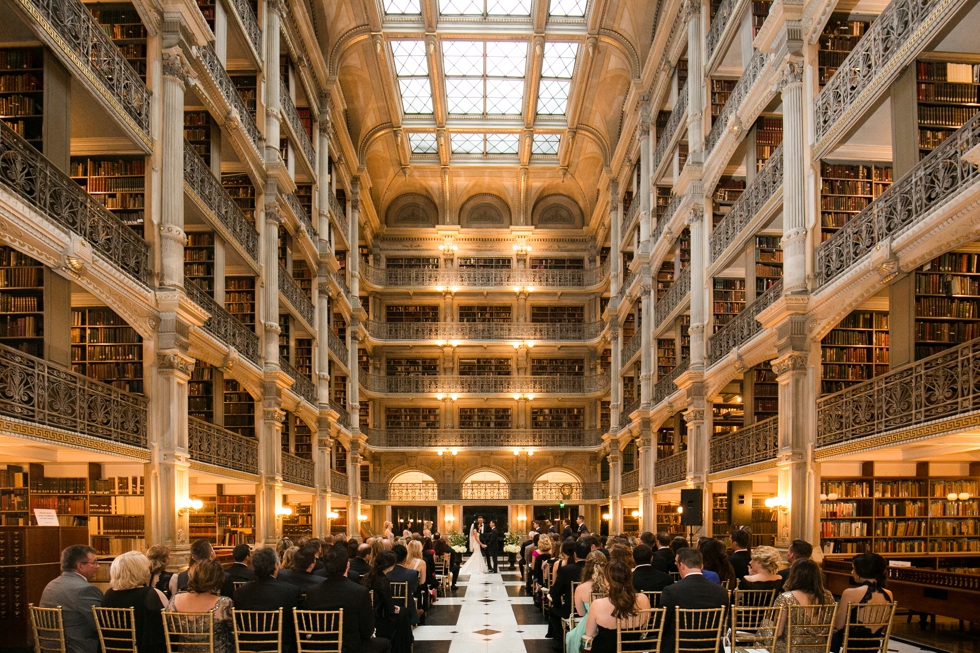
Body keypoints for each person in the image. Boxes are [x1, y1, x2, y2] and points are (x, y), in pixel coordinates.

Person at [306, 544, 391, 653]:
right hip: (350, 647)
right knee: (386, 644)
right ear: (347, 565)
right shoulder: (359, 592)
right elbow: (367, 631)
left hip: (320, 646)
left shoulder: (312, 591)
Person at [660, 548, 731, 653]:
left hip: (678, 648)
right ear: (701, 566)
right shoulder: (722, 592)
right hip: (711, 648)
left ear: (682, 565)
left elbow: (662, 623)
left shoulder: (671, 591)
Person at [233, 548, 300, 653]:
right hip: (281, 647)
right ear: (275, 566)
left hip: (247, 647)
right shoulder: (290, 591)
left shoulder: (239, 592)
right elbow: (295, 623)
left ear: (253, 568)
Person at [760, 559, 835, 653]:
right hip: (820, 648)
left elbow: (777, 632)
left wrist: (766, 626)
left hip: (791, 649)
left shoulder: (786, 597)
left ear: (794, 576)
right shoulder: (828, 596)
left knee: (764, 624)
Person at [39, 544, 103, 653]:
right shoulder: (85, 590)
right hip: (77, 648)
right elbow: (102, 624)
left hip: (49, 647)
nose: (98, 566)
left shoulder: (51, 584)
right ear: (80, 566)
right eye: (94, 563)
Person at [101, 551, 167, 653]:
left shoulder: (108, 594)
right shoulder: (151, 594)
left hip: (113, 649)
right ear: (141, 571)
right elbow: (168, 623)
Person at [582, 561, 652, 653]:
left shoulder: (597, 604)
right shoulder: (644, 599)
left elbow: (590, 633)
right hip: (635, 649)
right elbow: (645, 626)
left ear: (607, 580)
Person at [166, 560, 234, 653]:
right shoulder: (224, 603)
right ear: (217, 580)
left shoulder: (175, 599)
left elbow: (171, 628)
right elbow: (232, 629)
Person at [830, 553, 893, 653]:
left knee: (830, 633)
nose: (852, 572)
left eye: (853, 569)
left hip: (852, 645)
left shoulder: (850, 593)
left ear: (861, 571)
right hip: (874, 646)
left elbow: (838, 625)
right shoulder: (889, 594)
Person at [360, 550, 413, 653]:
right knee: (405, 614)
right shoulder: (383, 581)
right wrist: (395, 609)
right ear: (390, 565)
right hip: (380, 618)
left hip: (371, 614)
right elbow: (389, 608)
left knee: (403, 612)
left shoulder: (369, 575)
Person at [547, 538, 589, 649]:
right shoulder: (595, 569)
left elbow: (555, 592)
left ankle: (561, 640)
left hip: (571, 609)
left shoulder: (566, 570)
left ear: (575, 554)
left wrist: (557, 603)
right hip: (593, 608)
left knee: (553, 611)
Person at [387, 544, 421, 626]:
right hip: (406, 607)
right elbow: (414, 590)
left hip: (388, 606)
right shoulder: (412, 573)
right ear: (405, 559)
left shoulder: (386, 573)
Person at [573, 550, 608, 616]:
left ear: (586, 567)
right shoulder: (611, 585)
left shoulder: (580, 588)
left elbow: (581, 613)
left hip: (588, 622)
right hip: (609, 623)